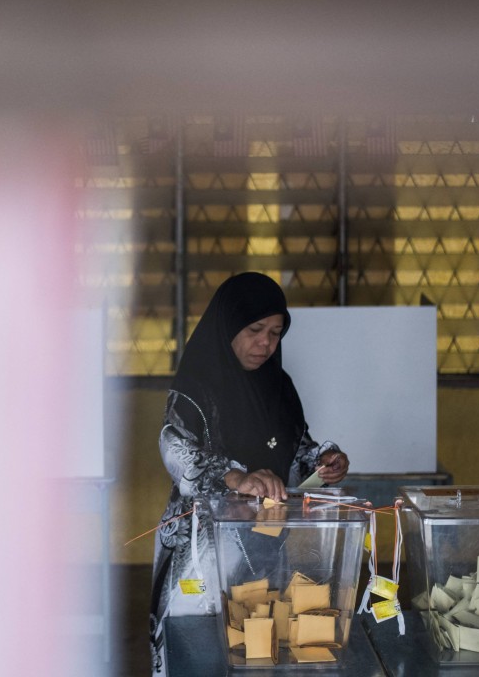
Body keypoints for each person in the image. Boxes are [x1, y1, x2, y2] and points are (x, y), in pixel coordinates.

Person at [148, 272, 349, 675]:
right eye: (255, 330)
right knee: (197, 648)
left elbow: (295, 449)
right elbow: (175, 446)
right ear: (228, 325)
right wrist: (234, 477)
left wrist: (322, 461)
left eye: (275, 333)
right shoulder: (196, 386)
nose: (266, 343)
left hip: (263, 541)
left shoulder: (279, 386)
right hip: (201, 548)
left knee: (255, 645)